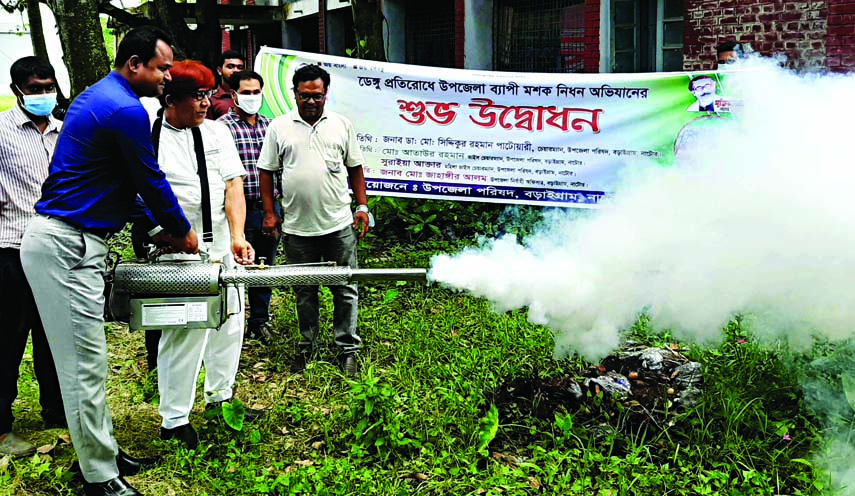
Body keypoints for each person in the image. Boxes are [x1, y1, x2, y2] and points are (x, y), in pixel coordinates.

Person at [19, 26, 199, 496]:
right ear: (134, 64)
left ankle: (100, 451)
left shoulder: (99, 95)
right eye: (162, 69)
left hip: (71, 243)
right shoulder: (124, 109)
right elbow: (149, 180)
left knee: (89, 363)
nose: (167, 77)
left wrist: (157, 228)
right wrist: (181, 231)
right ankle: (99, 477)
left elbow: (121, 182)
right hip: (66, 245)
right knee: (83, 367)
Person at [136, 60, 262, 450]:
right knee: (186, 333)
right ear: (171, 100)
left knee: (230, 323)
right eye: (198, 97)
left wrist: (238, 236)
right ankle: (174, 419)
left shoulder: (217, 132)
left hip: (221, 244)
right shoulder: (149, 135)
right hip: (177, 251)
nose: (207, 103)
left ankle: (220, 398)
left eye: (209, 95)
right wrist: (166, 236)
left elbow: (233, 185)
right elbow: (136, 196)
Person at [257, 64, 371, 376]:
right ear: (294, 94)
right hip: (297, 228)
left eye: (317, 95)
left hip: (338, 225)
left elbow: (356, 168)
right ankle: (307, 347)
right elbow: (266, 171)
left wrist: (361, 207)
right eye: (305, 95)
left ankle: (347, 348)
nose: (311, 101)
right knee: (304, 291)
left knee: (345, 289)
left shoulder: (341, 125)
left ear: (326, 94)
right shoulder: (279, 127)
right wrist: (270, 213)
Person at [0, 56, 65, 457]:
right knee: (7, 340)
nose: (43, 94)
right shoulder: (2, 133)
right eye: (35, 88)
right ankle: (2, 427)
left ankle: (57, 412)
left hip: (57, 250)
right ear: (17, 92)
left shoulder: (65, 132)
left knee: (55, 337)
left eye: (48, 86)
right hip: (12, 248)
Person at [217, 70, 279, 343]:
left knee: (264, 265)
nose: (252, 98)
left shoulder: (271, 126)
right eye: (246, 93)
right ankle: (232, 325)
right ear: (233, 95)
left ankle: (259, 320)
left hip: (268, 208)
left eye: (256, 92)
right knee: (236, 267)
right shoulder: (221, 128)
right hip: (234, 211)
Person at [206, 50, 245, 120]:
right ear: (219, 70)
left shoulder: (250, 96)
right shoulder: (212, 101)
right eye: (230, 67)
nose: (235, 70)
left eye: (239, 67)